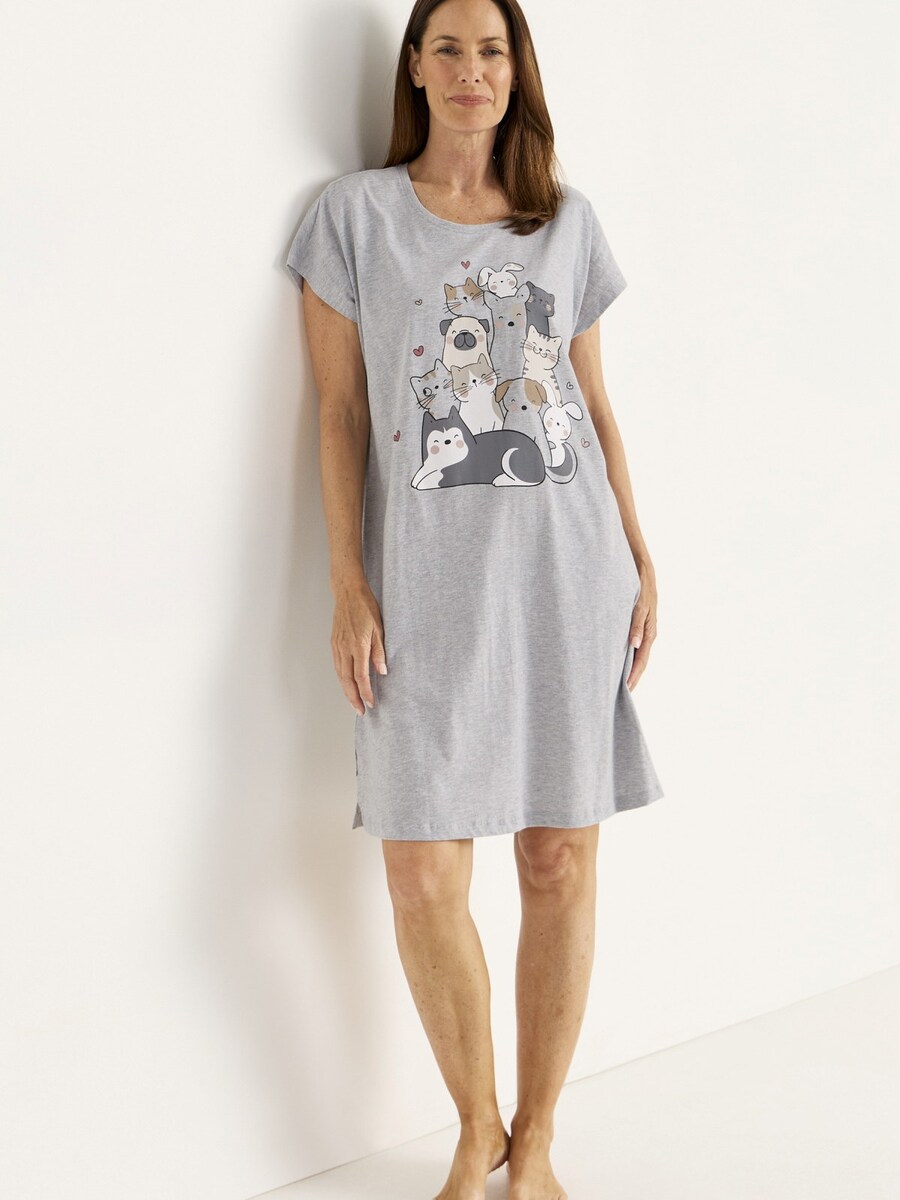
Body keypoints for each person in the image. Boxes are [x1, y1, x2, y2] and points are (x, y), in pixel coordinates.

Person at [284, 0, 664, 1195]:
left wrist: (640, 553)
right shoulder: (354, 218)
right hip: (423, 593)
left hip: (565, 574)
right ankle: (476, 1123)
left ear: (516, 71)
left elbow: (593, 405)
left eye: (492, 50)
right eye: (447, 48)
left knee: (557, 859)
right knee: (421, 873)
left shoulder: (565, 222)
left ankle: (536, 1140)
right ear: (415, 67)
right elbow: (340, 416)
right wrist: (348, 582)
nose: (470, 70)